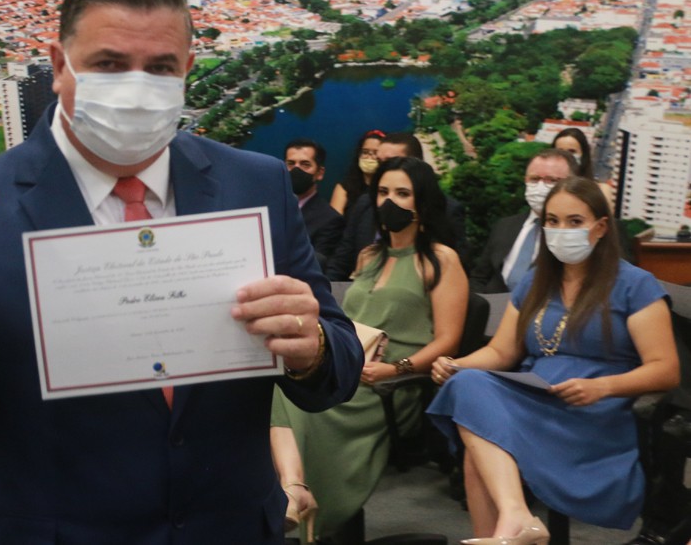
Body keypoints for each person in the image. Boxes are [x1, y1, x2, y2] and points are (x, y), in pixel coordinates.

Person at [0, 0, 364, 544]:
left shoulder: (254, 185)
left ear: (187, 69)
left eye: (161, 67)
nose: (136, 88)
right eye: (109, 64)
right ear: (58, 66)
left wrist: (313, 347)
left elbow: (338, 368)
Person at [428, 177, 679, 543]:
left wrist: (603, 387)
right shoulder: (537, 281)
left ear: (600, 227)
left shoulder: (635, 285)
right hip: (533, 399)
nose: (561, 231)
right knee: (466, 384)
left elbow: (666, 369)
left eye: (575, 221)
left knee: (477, 446)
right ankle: (514, 518)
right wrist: (456, 365)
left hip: (592, 413)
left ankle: (513, 524)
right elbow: (501, 352)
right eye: (552, 221)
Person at [272, 156, 468, 540]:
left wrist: (395, 369)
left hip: (393, 383)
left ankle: (301, 500)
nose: (389, 201)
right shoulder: (369, 256)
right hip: (350, 370)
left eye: (402, 193)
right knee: (281, 385)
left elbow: (448, 341)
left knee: (295, 401)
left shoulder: (442, 259)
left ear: (422, 201)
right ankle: (295, 492)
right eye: (383, 192)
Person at [325, 132, 468, 281]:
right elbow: (341, 260)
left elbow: (457, 273)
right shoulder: (366, 203)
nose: (382, 169)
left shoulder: (447, 210)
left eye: (391, 162)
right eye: (379, 161)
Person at [469, 149, 578, 294]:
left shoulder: (576, 236)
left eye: (551, 180)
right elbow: (479, 277)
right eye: (534, 179)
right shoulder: (505, 226)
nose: (540, 187)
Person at [285, 138, 344, 275]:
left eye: (305, 164)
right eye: (291, 164)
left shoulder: (330, 219)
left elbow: (316, 266)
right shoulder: (268, 209)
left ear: (320, 173)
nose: (296, 169)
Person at [329, 129, 385, 216]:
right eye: (365, 152)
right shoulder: (344, 188)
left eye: (375, 153)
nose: (369, 157)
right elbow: (333, 221)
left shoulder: (387, 189)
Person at [551, 127, 614, 202]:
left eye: (572, 151)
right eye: (560, 151)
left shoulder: (601, 191)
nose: (566, 156)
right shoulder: (545, 189)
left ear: (583, 155)